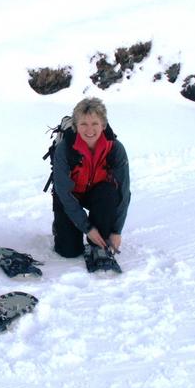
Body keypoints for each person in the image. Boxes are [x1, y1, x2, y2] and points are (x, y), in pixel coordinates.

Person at [52, 97, 130, 269]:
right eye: (83, 124)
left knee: (109, 193)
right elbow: (64, 193)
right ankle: (60, 227)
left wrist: (116, 231)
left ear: (103, 125)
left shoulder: (115, 149)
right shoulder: (64, 149)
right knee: (69, 251)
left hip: (98, 195)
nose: (89, 130)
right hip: (70, 197)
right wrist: (87, 228)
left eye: (95, 123)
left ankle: (98, 243)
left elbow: (124, 193)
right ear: (75, 126)